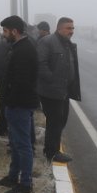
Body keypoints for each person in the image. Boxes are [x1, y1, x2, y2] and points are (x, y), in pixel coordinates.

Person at [0, 15, 39, 193]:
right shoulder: (20, 47)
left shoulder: (24, 50)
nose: (4, 35)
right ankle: (13, 176)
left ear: (14, 31)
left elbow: (20, 82)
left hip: (19, 104)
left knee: (22, 145)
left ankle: (25, 183)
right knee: (15, 143)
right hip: (16, 104)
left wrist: (10, 101)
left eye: (5, 31)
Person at [37, 17, 81, 163]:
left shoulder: (67, 44)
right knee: (54, 122)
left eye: (73, 28)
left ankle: (52, 148)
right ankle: (51, 152)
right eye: (69, 28)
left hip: (64, 90)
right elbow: (40, 64)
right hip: (51, 91)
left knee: (61, 120)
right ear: (59, 28)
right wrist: (52, 80)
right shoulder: (48, 42)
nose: (71, 31)